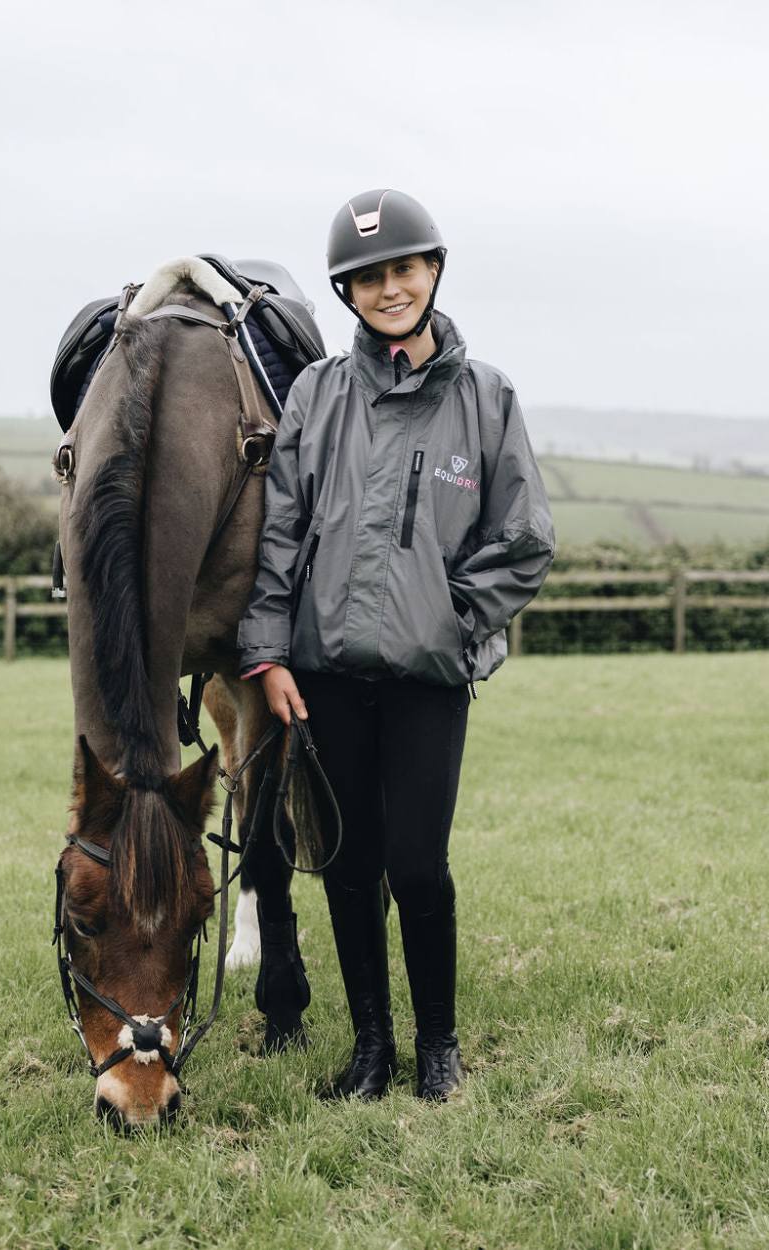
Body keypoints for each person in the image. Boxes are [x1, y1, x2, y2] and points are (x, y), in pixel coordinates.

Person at [237, 188, 555, 1101]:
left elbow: (526, 541)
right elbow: (283, 537)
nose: (389, 289)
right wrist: (268, 653)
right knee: (347, 864)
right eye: (368, 276)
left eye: (404, 269)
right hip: (327, 676)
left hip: (428, 681)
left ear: (434, 272)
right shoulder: (317, 395)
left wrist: (451, 617)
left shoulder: (487, 398)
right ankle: (371, 1050)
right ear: (347, 293)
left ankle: (438, 1049)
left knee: (418, 866)